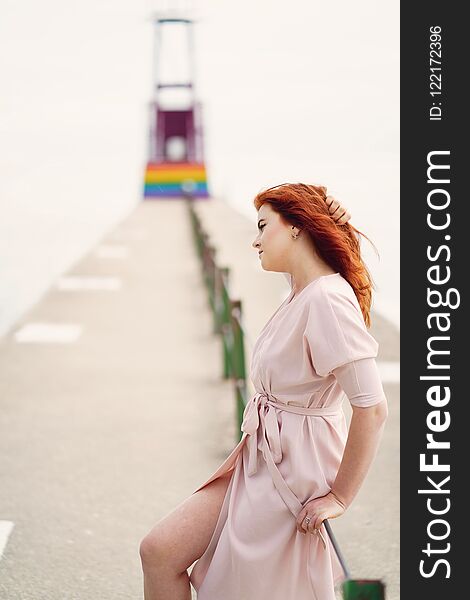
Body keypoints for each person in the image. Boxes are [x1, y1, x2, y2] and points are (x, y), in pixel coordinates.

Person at [139, 183, 388, 600]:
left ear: (296, 228)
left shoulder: (327, 299)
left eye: (262, 226)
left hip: (292, 468)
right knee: (160, 550)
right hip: (261, 455)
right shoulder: (300, 292)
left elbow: (372, 408)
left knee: (233, 582)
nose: (254, 240)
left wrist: (340, 497)